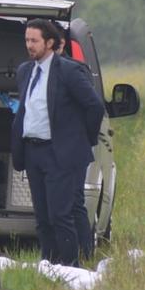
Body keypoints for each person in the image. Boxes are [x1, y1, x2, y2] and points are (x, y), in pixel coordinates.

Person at [11, 18, 105, 267]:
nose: (29, 45)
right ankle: (49, 265)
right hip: (33, 151)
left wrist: (82, 139)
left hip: (60, 153)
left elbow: (94, 106)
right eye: (27, 40)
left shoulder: (68, 71)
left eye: (34, 41)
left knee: (60, 215)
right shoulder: (25, 71)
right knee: (42, 216)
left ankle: (71, 268)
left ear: (50, 43)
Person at [53, 29, 97, 261]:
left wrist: (86, 138)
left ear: (59, 45)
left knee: (75, 202)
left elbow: (93, 106)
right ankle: (77, 252)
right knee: (73, 202)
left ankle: (85, 252)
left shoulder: (73, 71)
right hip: (66, 146)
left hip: (73, 147)